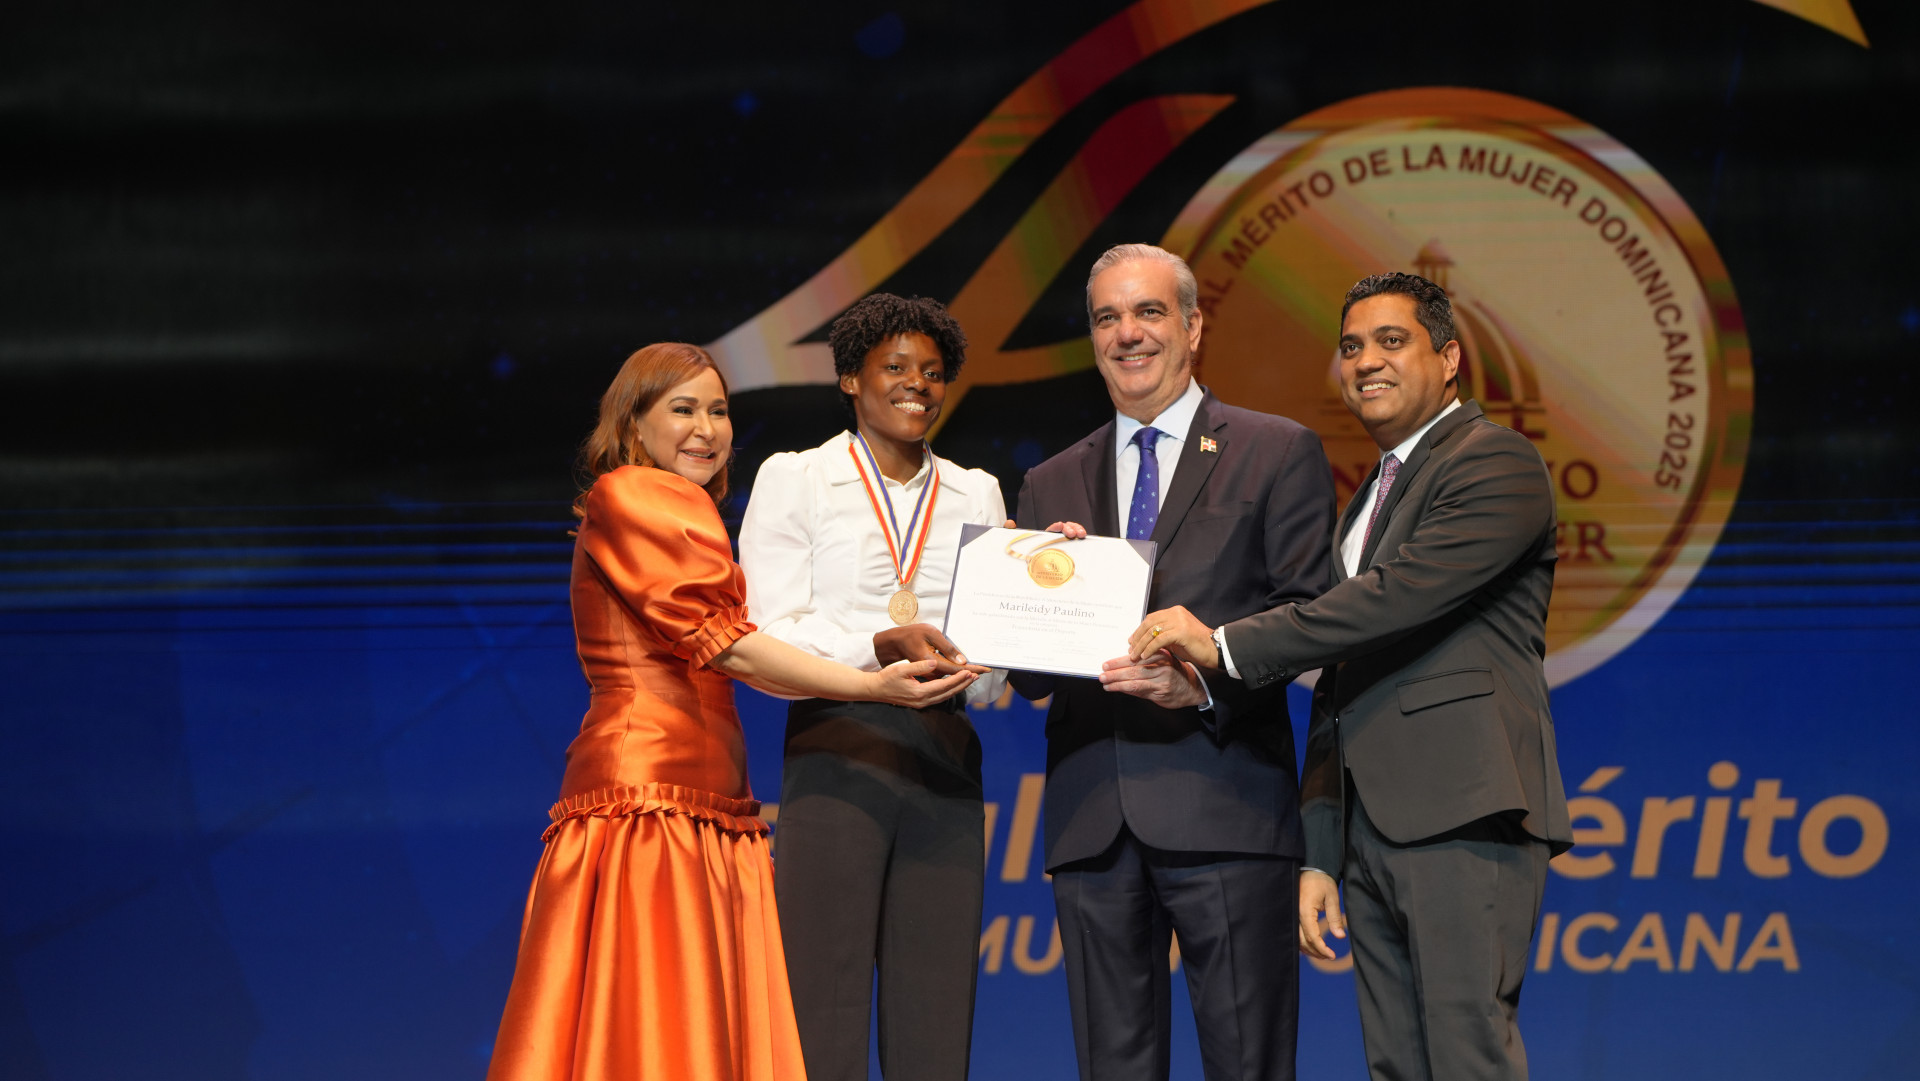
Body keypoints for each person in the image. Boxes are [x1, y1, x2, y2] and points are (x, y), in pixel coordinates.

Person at [486, 342, 976, 1081]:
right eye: (682, 409)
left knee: (693, 1030)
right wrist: (876, 683)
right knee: (653, 1028)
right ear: (633, 423)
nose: (707, 429)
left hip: (712, 803)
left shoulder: (686, 509)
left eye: (718, 411)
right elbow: (731, 648)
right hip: (648, 803)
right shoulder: (633, 494)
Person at [1130, 272, 1573, 1081]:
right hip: (1372, 829)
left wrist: (1222, 642)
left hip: (1461, 809)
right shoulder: (1373, 492)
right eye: (1351, 346)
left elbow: (1389, 602)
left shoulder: (1495, 461)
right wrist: (1321, 852)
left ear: (1449, 358)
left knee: (1466, 1054)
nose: (1365, 360)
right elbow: (1339, 684)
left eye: (1391, 341)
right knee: (1396, 1064)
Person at [1010, 244, 1336, 1081]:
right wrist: (1032, 589)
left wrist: (1202, 683)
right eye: (1107, 318)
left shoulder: (1275, 449)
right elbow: (1029, 675)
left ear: (1192, 326)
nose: (1128, 333)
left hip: (1227, 803)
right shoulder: (1049, 483)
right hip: (1093, 819)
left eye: (1148, 311)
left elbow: (1310, 619)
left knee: (1248, 1064)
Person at [738, 294, 1006, 1081]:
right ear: (851, 378)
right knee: (821, 1005)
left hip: (945, 755)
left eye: (933, 371)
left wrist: (1028, 613)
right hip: (838, 748)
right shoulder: (798, 478)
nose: (917, 383)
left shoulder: (976, 492)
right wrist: (875, 648)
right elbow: (767, 631)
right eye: (895, 366)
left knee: (936, 1014)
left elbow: (992, 670)